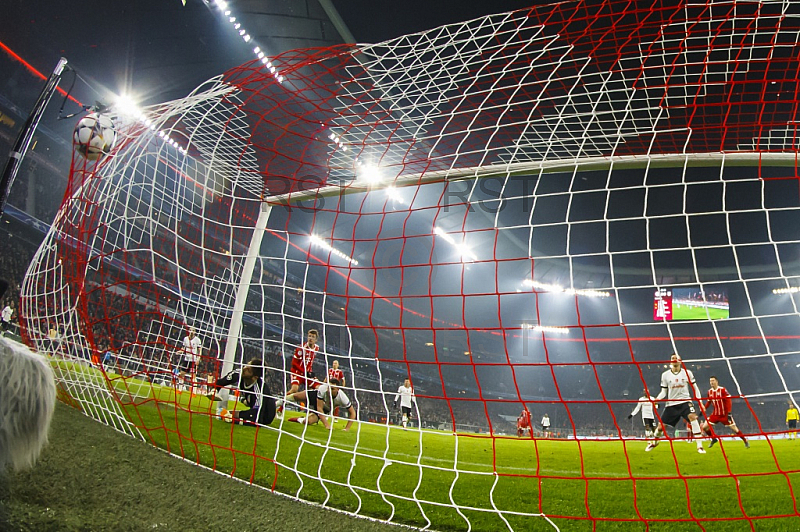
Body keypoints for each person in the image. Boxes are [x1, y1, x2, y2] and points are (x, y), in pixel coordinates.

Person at [646, 353, 706, 454]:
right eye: (672, 358)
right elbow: (664, 392)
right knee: (661, 428)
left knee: (693, 418)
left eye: (676, 358)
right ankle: (655, 443)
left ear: (680, 361)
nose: (674, 360)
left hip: (685, 402)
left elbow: (695, 388)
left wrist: (700, 402)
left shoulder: (687, 373)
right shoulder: (665, 375)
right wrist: (657, 398)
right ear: (670, 361)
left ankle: (699, 446)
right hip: (671, 404)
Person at [207, 357, 276, 426]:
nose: (244, 369)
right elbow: (222, 381)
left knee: (234, 414)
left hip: (266, 414)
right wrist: (214, 390)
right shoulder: (239, 373)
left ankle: (243, 402)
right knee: (227, 413)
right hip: (253, 404)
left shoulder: (260, 389)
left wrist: (234, 419)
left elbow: (258, 416)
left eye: (248, 370)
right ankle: (243, 401)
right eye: (246, 365)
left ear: (255, 377)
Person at [286, 378, 356, 431]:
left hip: (325, 408)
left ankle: (300, 419)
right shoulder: (323, 388)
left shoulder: (342, 397)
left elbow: (352, 413)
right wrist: (327, 425)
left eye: (332, 389)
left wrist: (347, 428)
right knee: (296, 396)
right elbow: (319, 408)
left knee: (307, 421)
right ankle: (278, 403)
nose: (329, 391)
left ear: (338, 389)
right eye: (329, 388)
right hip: (317, 397)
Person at [279, 330, 320, 415]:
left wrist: (310, 372)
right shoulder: (301, 348)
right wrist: (305, 372)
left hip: (307, 374)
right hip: (297, 372)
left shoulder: (316, 348)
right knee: (294, 389)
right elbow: (294, 363)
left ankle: (316, 412)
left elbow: (310, 361)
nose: (310, 338)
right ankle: (280, 408)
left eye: (313, 337)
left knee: (319, 389)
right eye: (309, 336)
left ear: (316, 340)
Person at [700, 376, 749, 448]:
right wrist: (704, 409)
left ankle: (745, 441)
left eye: (713, 381)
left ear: (717, 381)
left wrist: (729, 413)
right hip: (715, 414)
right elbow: (709, 402)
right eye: (710, 381)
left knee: (735, 429)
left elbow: (729, 401)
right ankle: (713, 439)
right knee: (704, 427)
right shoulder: (709, 391)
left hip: (724, 414)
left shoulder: (722, 390)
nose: (711, 382)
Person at [178, 327, 202, 392]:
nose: (191, 331)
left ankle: (194, 392)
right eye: (190, 330)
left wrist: (198, 358)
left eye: (193, 330)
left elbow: (200, 350)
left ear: (195, 332)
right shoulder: (185, 339)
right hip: (186, 359)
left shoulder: (197, 340)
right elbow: (183, 348)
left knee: (193, 376)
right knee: (181, 374)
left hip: (193, 360)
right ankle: (180, 390)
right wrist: (179, 351)